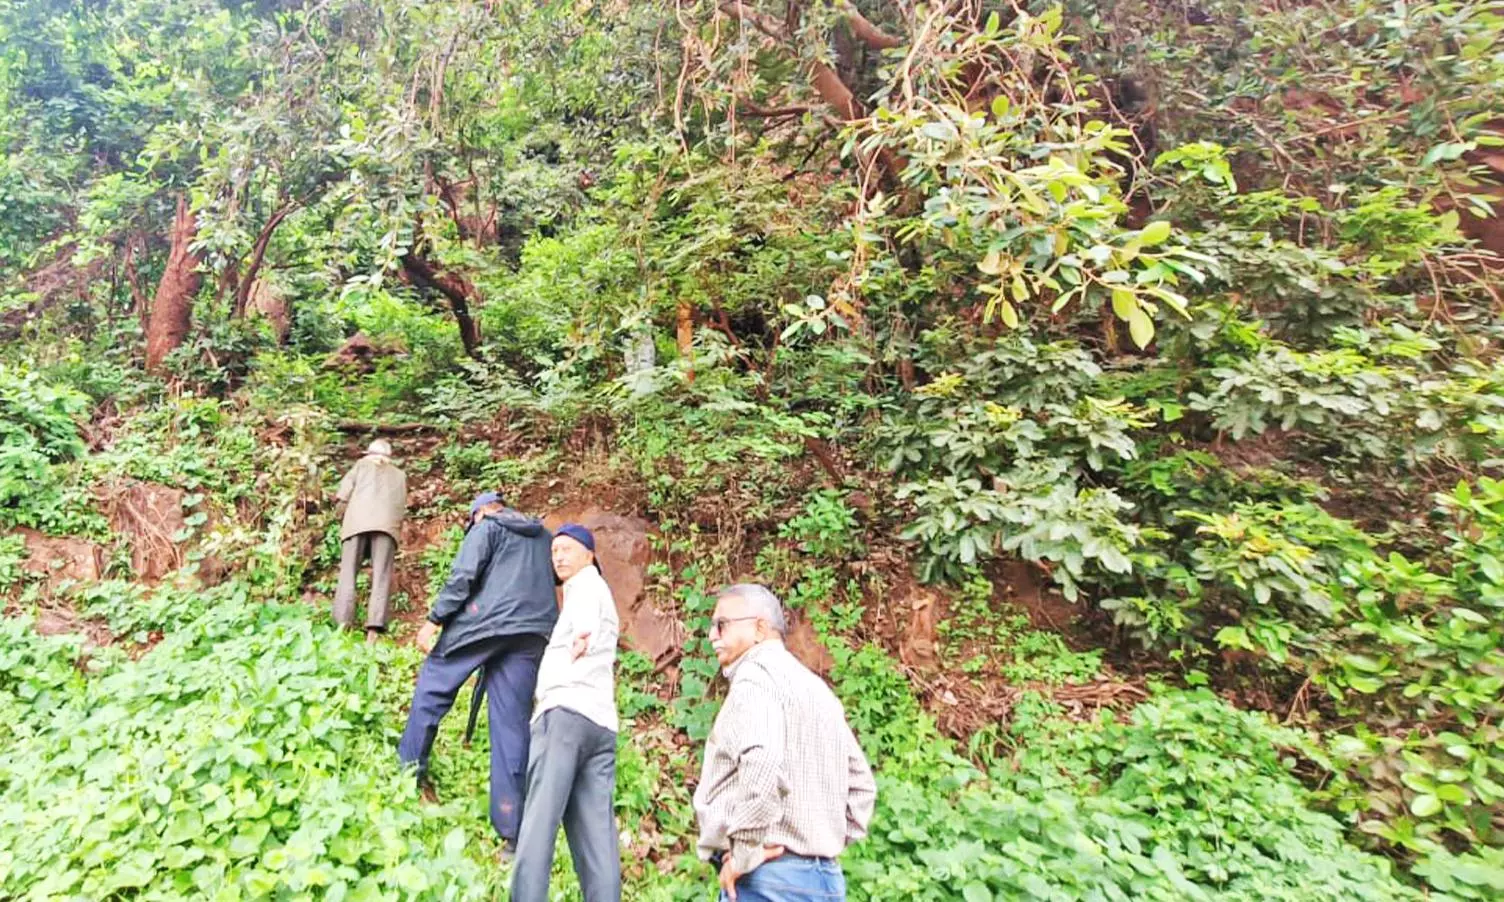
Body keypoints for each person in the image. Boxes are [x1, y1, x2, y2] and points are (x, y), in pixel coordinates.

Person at [694, 584, 876, 902]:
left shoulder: (754, 678)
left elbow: (762, 761)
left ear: (760, 628)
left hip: (766, 880)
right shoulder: (815, 688)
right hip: (824, 881)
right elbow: (861, 785)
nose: (712, 635)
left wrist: (744, 853)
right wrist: (819, 844)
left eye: (722, 624)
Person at [397, 492, 557, 853]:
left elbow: (463, 577)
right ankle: (513, 834)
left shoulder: (488, 528)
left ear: (480, 512)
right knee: (511, 723)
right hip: (532, 633)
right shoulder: (544, 537)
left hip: (484, 622)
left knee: (434, 684)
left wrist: (433, 620)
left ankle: (406, 775)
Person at [510, 524, 622, 902]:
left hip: (564, 718)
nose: (558, 556)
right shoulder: (594, 591)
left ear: (590, 554)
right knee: (597, 843)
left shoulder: (587, 588)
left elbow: (586, 625)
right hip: (601, 724)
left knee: (538, 826)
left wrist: (581, 638)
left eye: (567, 549)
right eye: (554, 551)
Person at [333, 439, 408, 643]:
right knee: (381, 576)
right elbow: (401, 506)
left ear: (369, 454)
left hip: (356, 524)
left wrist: (340, 517)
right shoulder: (399, 475)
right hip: (387, 528)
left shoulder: (360, 466)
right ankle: (374, 630)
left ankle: (342, 624)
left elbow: (343, 496)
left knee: (348, 572)